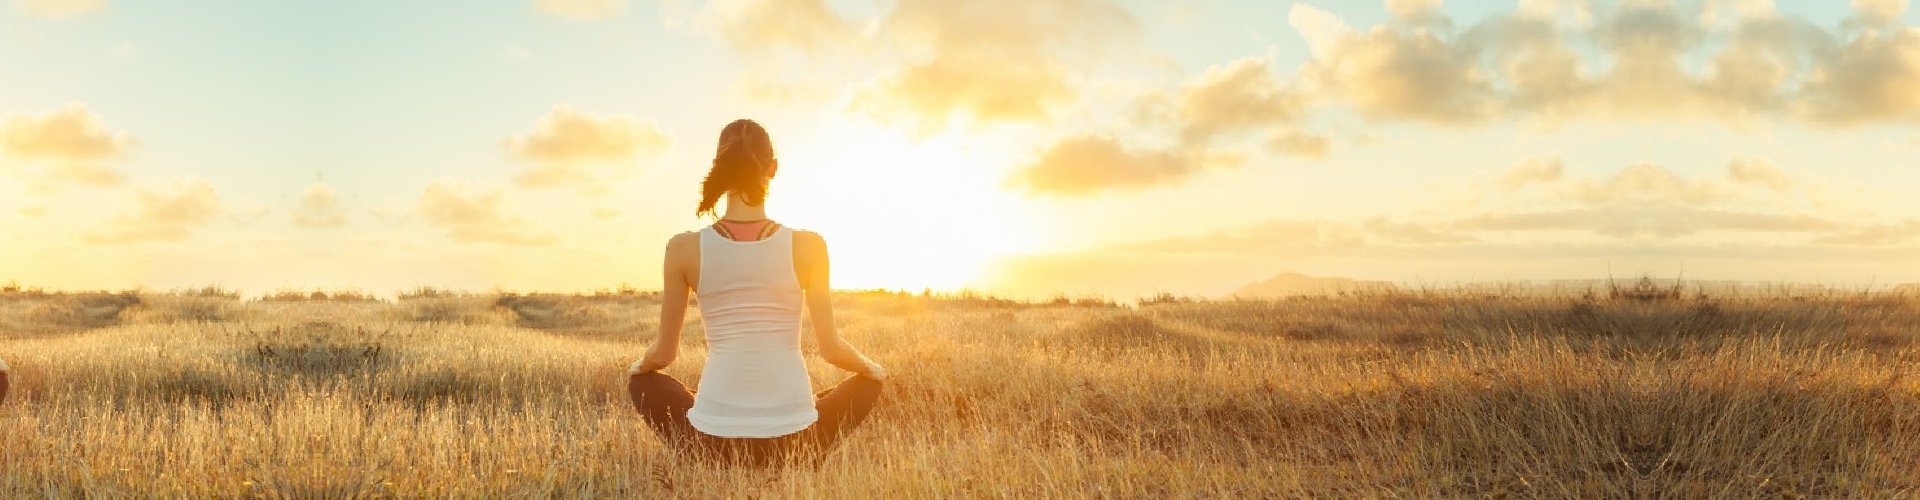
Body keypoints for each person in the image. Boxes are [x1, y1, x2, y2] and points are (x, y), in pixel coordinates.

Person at [628, 119, 888, 467]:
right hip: (795, 440)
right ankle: (799, 455)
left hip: (713, 442)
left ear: (718, 167)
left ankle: (708, 453)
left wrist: (638, 367)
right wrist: (874, 370)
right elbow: (832, 349)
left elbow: (663, 354)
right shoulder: (809, 245)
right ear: (773, 169)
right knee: (866, 383)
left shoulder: (683, 248)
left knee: (643, 382)